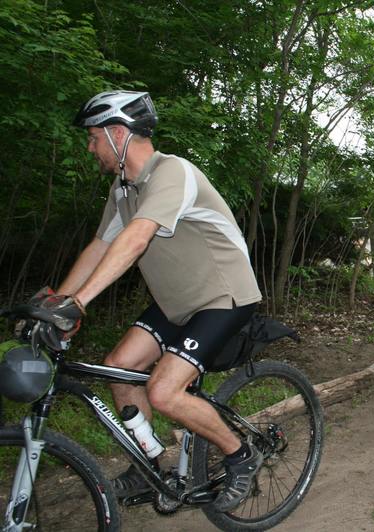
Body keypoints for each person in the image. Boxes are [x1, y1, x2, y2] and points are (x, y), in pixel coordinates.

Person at [58, 90, 263, 511]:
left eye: (94, 137)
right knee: (117, 367)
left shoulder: (172, 172)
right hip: (178, 303)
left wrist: (79, 303)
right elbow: (101, 245)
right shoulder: (123, 189)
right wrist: (58, 302)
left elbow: (136, 238)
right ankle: (149, 466)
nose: (90, 147)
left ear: (119, 134)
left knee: (164, 392)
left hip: (224, 295)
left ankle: (242, 455)